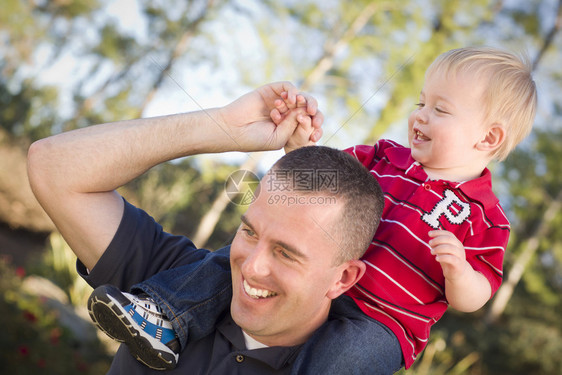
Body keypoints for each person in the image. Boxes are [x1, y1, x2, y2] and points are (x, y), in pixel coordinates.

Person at [88, 46, 538, 374]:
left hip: (380, 323)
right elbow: (320, 176)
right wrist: (301, 143)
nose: (419, 115)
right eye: (421, 101)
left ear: (489, 138)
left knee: (341, 363)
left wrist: (458, 272)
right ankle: (165, 317)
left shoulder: (485, 216)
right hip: (314, 280)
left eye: (440, 109)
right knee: (233, 259)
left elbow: (477, 296)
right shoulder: (385, 156)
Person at [26, 82, 387, 374]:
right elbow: (53, 167)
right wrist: (222, 126)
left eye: (285, 253)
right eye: (249, 233)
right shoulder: (173, 286)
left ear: (343, 279)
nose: (250, 266)